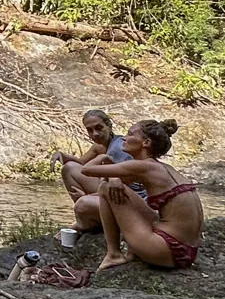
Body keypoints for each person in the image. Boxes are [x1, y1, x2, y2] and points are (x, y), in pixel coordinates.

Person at [81, 118, 204, 272]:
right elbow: (124, 182)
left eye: (130, 133)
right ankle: (131, 251)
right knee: (114, 185)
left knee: (105, 187)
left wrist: (100, 157)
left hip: (168, 249)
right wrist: (114, 178)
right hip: (185, 251)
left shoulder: (142, 166)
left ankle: (113, 253)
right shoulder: (162, 167)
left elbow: (86, 170)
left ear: (145, 143)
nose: (124, 138)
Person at [51, 108, 142, 234]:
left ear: (109, 126)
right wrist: (63, 155)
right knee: (69, 168)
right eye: (90, 130)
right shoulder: (100, 146)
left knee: (83, 202)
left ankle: (88, 219)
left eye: (99, 128)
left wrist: (86, 197)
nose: (95, 134)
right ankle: (90, 217)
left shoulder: (118, 148)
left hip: (129, 200)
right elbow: (81, 164)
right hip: (110, 192)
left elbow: (119, 187)